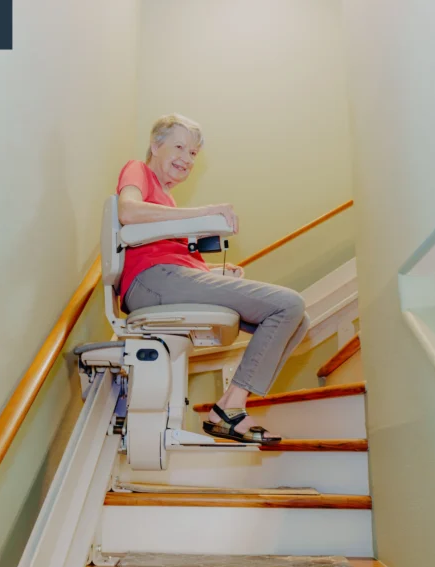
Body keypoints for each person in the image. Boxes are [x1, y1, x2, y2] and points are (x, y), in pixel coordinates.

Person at [115, 113, 310, 445]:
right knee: (289, 303)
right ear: (155, 145)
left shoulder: (169, 201)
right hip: (150, 281)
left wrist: (217, 272)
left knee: (298, 320)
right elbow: (128, 212)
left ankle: (228, 407)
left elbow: (175, 259)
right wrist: (203, 213)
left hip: (168, 278)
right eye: (179, 147)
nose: (187, 159)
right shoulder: (139, 170)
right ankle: (230, 410)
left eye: (193, 154)